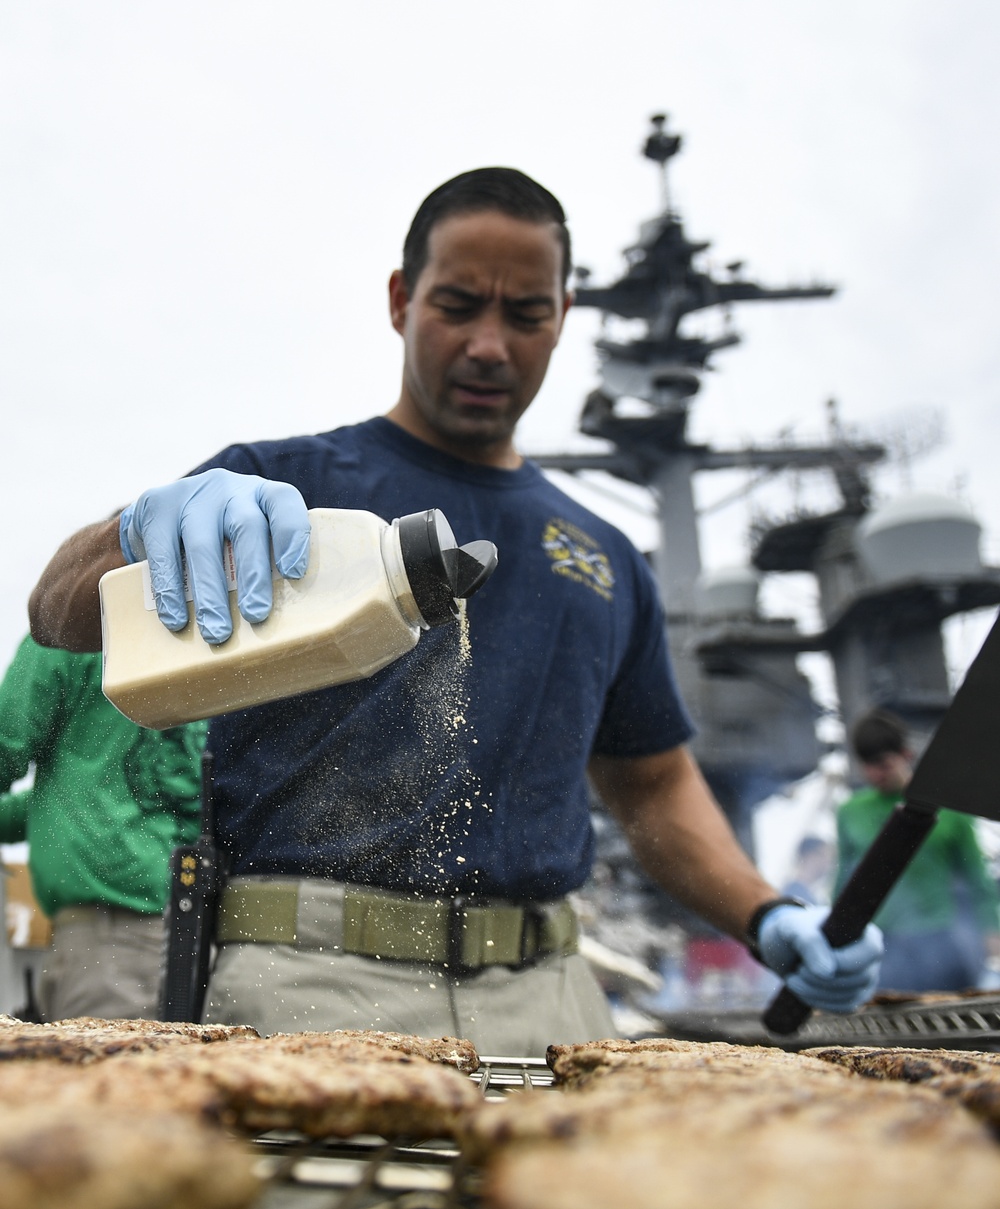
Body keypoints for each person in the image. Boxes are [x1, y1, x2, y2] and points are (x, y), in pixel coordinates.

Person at [28, 168, 883, 1051]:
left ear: (564, 314)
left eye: (526, 315)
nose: (487, 345)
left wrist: (767, 912)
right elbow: (57, 613)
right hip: (306, 982)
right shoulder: (288, 485)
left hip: (551, 997)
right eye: (458, 303)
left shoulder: (609, 559)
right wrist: (134, 532)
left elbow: (654, 784)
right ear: (401, 299)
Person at [0, 633, 206, 1020]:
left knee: (107, 1078)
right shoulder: (201, 641)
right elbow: (68, 801)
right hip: (180, 933)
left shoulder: (68, 630)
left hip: (108, 952)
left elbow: (4, 745)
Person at [837, 708, 1000, 993]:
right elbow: (843, 880)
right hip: (880, 943)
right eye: (867, 764)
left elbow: (978, 877)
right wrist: (837, 934)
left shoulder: (949, 808)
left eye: (883, 763)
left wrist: (991, 930)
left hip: (941, 938)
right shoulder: (850, 813)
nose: (875, 773)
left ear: (906, 755)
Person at [783, 836, 834, 907]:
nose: (828, 863)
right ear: (809, 856)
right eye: (824, 856)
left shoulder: (813, 895)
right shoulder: (795, 894)